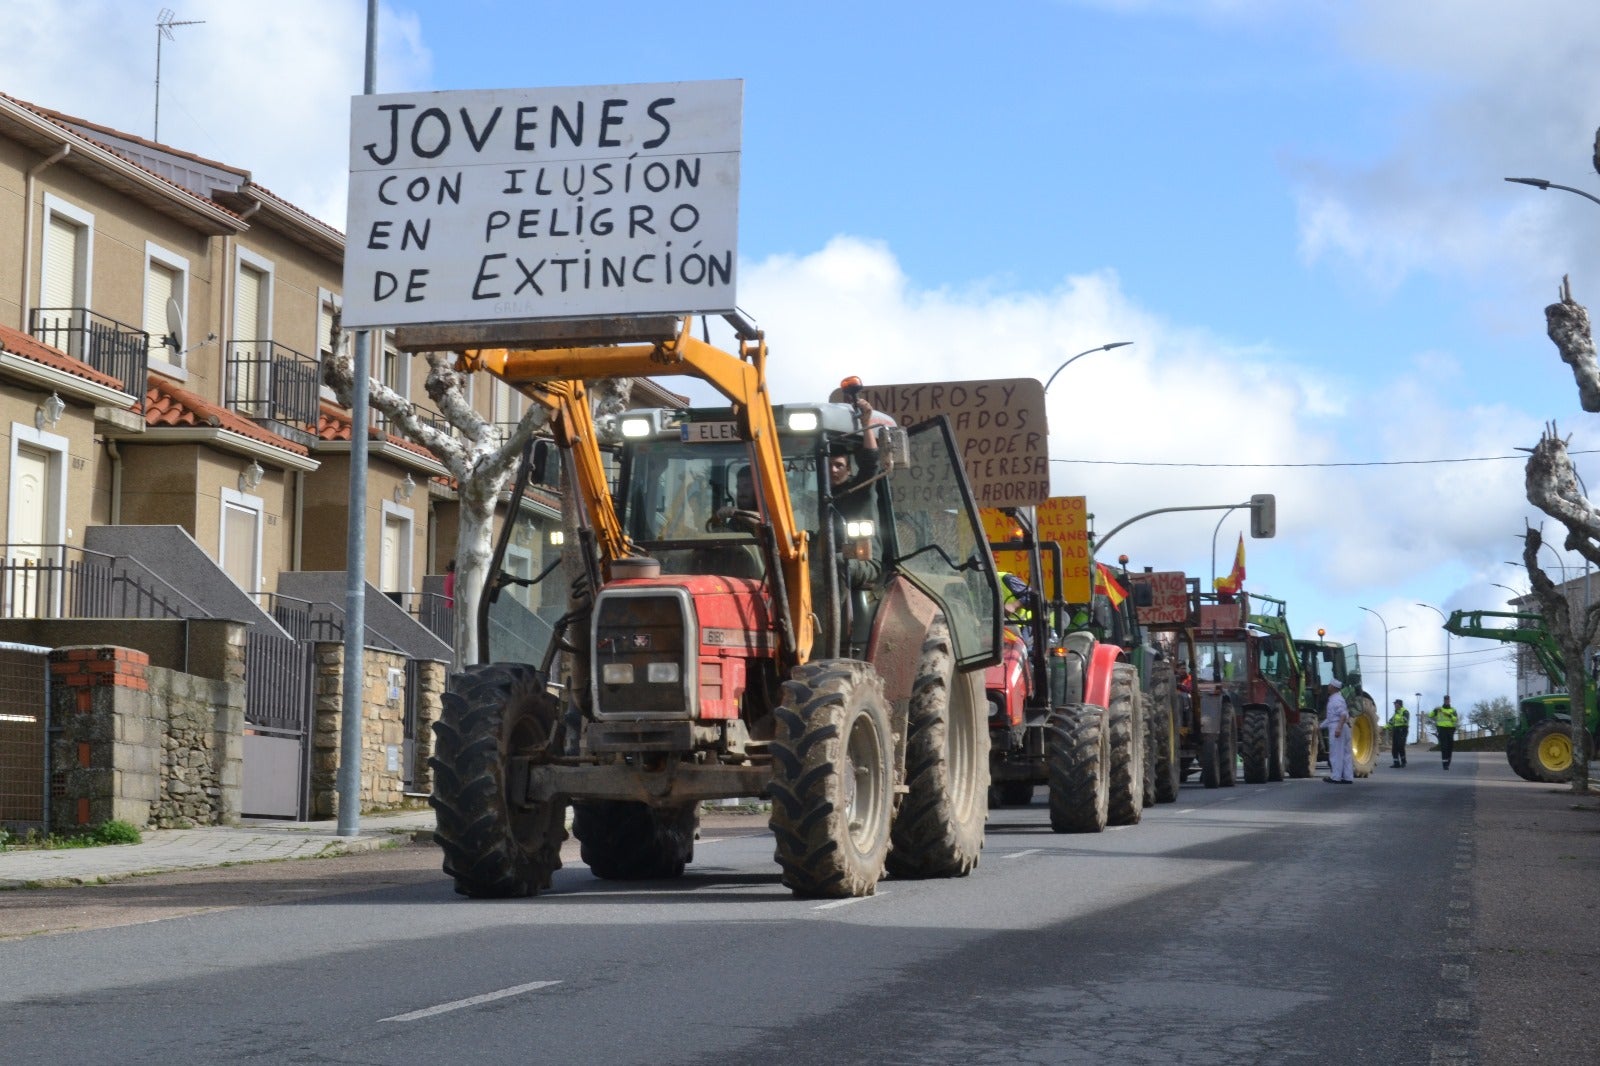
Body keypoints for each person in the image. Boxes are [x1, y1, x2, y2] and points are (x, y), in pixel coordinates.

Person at [829, 393, 882, 588]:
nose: (832, 470)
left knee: (837, 562)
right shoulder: (821, 497)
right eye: (827, 466)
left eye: (838, 465)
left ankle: (830, 619)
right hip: (829, 561)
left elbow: (871, 463)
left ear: (848, 468)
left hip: (864, 562)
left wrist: (866, 422)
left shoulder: (859, 490)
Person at [1323, 679, 1353, 784]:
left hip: (1338, 727)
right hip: (1342, 726)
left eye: (1330, 685)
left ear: (1334, 688)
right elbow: (1331, 718)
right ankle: (1348, 777)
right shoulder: (1337, 699)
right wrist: (1319, 726)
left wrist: (1338, 728)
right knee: (1346, 753)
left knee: (1336, 753)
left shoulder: (1336, 700)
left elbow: (1343, 714)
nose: (1328, 686)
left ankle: (1336, 777)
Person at [1427, 695, 1458, 770]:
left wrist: (1450, 715)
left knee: (1450, 747)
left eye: (1448, 700)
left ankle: (1448, 760)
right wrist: (1435, 710)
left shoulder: (1453, 710)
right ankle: (1445, 764)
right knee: (1444, 746)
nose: (1446, 701)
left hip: (1450, 730)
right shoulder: (1439, 709)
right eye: (1445, 700)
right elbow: (1430, 715)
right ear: (1444, 700)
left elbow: (1455, 719)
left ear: (1449, 700)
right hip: (1441, 729)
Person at [1388, 698, 1410, 768]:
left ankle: (1403, 762)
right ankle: (1396, 763)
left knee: (1400, 746)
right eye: (1394, 704)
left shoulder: (1405, 711)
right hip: (1396, 730)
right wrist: (1385, 727)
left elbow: (1405, 720)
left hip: (1402, 730)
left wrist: (1398, 718)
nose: (1394, 705)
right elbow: (1391, 722)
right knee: (1394, 748)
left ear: (1399, 704)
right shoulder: (1396, 713)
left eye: (1395, 704)